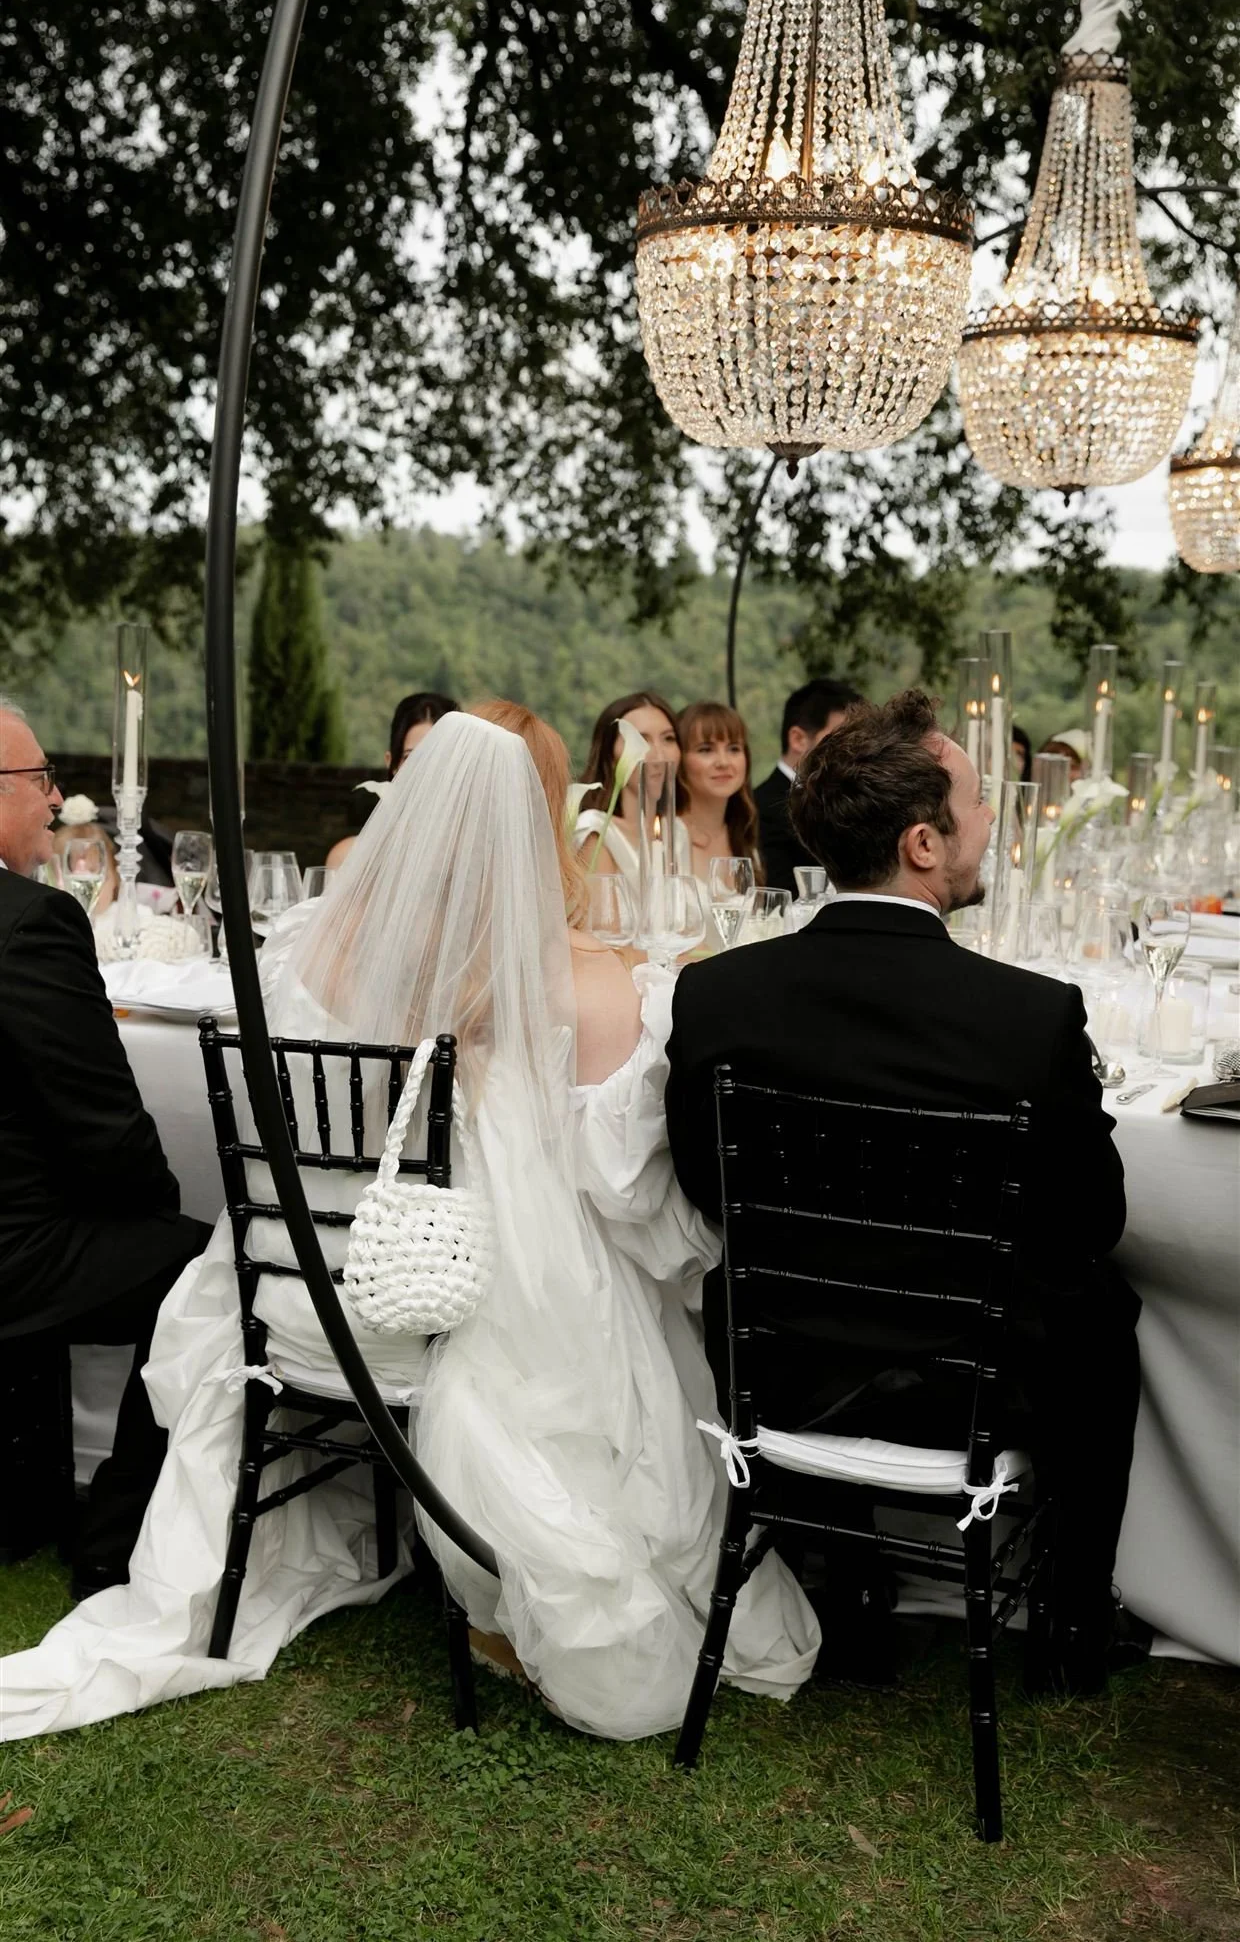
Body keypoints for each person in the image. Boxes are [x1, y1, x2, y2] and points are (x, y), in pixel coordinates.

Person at [1, 709, 816, 1739]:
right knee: (607, 1288)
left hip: (298, 1285)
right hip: (438, 1296)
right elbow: (625, 1182)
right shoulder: (564, 979)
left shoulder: (317, 946)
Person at [666, 689, 1141, 1693]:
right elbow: (1092, 1219)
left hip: (780, 1361)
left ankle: (843, 1577)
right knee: (1102, 1306)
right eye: (974, 809)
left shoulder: (715, 994)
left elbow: (705, 1185)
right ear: (922, 843)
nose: (987, 828)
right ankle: (1070, 1618)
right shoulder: (1029, 1017)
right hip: (965, 1382)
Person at [0, 699, 211, 1598]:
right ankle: (112, 1538)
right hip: (15, 1256)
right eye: (39, 779)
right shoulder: (32, 924)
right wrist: (161, 1212)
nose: (56, 799)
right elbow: (105, 1130)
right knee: (211, 1269)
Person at [324, 690, 458, 870]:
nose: (426, 770)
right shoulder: (347, 858)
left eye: (438, 758)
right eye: (412, 758)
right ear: (391, 763)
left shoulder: (470, 861)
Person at [754, 677, 861, 892]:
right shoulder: (762, 807)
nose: (853, 750)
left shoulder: (850, 801)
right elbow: (779, 896)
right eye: (840, 739)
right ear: (798, 739)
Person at [573, 692, 691, 877]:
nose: (659, 756)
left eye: (668, 739)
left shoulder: (677, 832)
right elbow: (601, 905)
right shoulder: (596, 830)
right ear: (611, 756)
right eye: (641, 740)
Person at [676, 701, 764, 887]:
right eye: (706, 750)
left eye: (734, 749)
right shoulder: (666, 839)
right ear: (679, 760)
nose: (723, 762)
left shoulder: (744, 837)